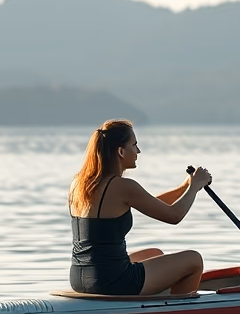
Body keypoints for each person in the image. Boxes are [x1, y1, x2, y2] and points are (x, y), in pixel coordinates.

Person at [69, 119, 213, 296]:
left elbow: (153, 203)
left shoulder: (79, 184)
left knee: (154, 253)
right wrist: (195, 185)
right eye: (134, 145)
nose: (138, 151)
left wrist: (185, 187)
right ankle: (178, 308)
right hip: (111, 281)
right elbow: (174, 215)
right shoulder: (124, 186)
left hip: (79, 278)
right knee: (194, 260)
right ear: (121, 151)